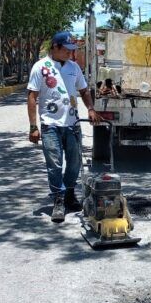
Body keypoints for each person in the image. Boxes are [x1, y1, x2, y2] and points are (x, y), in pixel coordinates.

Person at [27, 31, 103, 223]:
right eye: (67, 50)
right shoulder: (40, 67)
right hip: (50, 126)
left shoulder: (74, 68)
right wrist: (33, 126)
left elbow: (84, 91)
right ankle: (58, 200)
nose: (71, 53)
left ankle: (69, 193)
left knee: (75, 162)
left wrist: (91, 109)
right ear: (55, 47)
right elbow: (32, 97)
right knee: (54, 165)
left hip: (72, 125)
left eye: (72, 50)